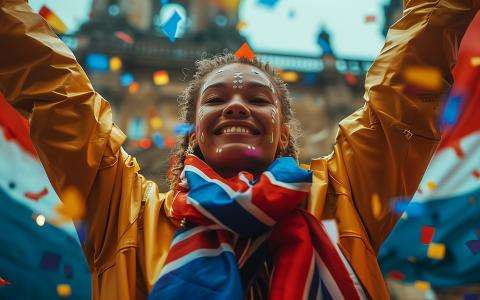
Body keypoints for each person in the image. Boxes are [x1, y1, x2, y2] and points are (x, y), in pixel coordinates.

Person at [0, 0, 478, 299]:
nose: (236, 108)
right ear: (192, 132)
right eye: (216, 98)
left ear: (284, 133)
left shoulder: (340, 201)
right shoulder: (124, 212)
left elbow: (402, 98)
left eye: (256, 99)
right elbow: (53, 90)